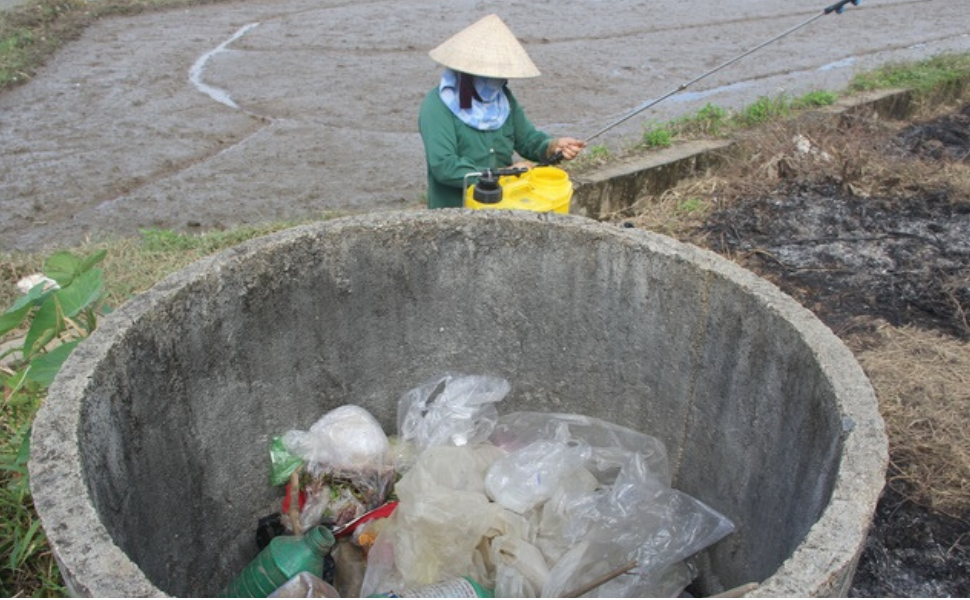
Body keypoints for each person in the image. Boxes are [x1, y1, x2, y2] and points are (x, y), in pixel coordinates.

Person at [418, 14, 586, 209]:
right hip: (456, 211)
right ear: (467, 73)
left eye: (501, 76)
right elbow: (444, 167)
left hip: (501, 205)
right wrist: (502, 175)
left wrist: (552, 146)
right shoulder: (437, 106)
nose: (496, 82)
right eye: (489, 75)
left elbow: (528, 140)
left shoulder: (502, 98)